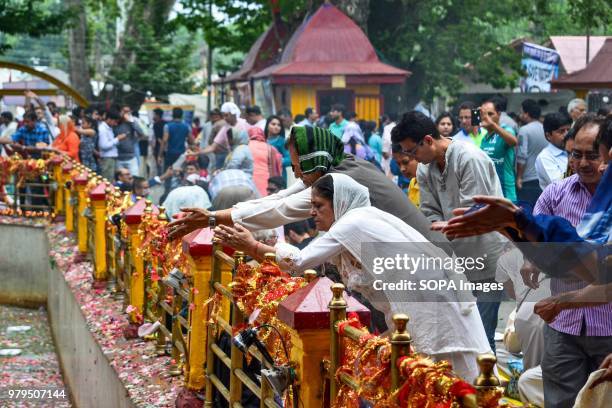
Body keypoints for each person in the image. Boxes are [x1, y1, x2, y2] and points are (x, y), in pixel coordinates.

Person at [214, 173, 491, 381]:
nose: (312, 213)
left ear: (340, 203)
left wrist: (253, 247)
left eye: (319, 206)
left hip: (429, 308)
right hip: (410, 311)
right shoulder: (353, 222)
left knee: (447, 379)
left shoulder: (353, 222)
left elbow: (299, 262)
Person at [168, 126, 453, 258]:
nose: (295, 174)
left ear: (313, 161)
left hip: (422, 259)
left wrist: (212, 219)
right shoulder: (334, 166)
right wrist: (213, 216)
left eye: (298, 167)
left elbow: (281, 211)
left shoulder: (341, 181)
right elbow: (280, 198)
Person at [391, 110, 505, 352]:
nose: (412, 158)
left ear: (429, 140)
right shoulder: (424, 168)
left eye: (412, 152)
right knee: (462, 335)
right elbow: (429, 211)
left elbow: (473, 212)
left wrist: (440, 231)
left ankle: (488, 386)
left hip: (487, 256)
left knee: (483, 336)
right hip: (455, 260)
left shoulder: (468, 158)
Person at [529, 114, 610, 407]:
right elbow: (534, 240)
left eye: (593, 155)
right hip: (563, 326)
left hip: (608, 326)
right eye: (577, 155)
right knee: (560, 401)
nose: (584, 163)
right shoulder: (555, 194)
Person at [479, 99, 519, 201]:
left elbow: (514, 142)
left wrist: (493, 125)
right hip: (490, 192)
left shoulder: (506, 130)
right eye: (484, 114)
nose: (487, 118)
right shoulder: (484, 138)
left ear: (499, 114)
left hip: (505, 191)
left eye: (490, 114)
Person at [516, 99, 547, 205]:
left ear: (526, 114)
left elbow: (522, 155)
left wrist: (519, 177)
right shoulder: (545, 128)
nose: (520, 115)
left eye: (521, 112)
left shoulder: (524, 130)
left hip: (528, 180)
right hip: (544, 178)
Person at [202, 102, 248, 170]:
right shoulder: (224, 126)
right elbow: (211, 143)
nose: (225, 118)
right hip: (226, 154)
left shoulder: (243, 124)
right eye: (223, 116)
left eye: (226, 115)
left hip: (229, 155)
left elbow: (211, 142)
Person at [535, 112, 572, 190]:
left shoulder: (574, 151)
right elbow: (560, 186)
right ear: (548, 136)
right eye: (561, 131)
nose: (567, 134)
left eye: (568, 130)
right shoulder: (545, 157)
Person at [247, 126, 282, 196]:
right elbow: (278, 165)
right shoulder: (270, 148)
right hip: (267, 181)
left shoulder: (245, 146)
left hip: (249, 180)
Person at [160, 107, 191, 172]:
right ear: (182, 115)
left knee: (168, 173)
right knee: (180, 173)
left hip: (170, 153)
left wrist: (160, 155)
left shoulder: (167, 126)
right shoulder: (186, 127)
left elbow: (164, 141)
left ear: (172, 115)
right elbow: (191, 140)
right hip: (181, 154)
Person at [97, 110, 124, 181]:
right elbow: (104, 145)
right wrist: (117, 139)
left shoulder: (109, 128)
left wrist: (117, 139)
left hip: (111, 158)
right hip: (107, 159)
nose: (115, 124)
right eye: (115, 122)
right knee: (107, 180)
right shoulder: (102, 129)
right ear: (109, 119)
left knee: (112, 179)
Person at [264, 115, 291, 181]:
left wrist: (276, 161)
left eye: (279, 125)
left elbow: (289, 159)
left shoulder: (281, 141)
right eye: (273, 124)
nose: (276, 127)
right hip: (264, 172)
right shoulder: (262, 140)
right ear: (267, 125)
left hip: (279, 175)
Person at [152, 108, 166, 176]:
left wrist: (161, 147)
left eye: (154, 114)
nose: (153, 116)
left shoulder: (156, 124)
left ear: (157, 115)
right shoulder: (166, 123)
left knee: (159, 163)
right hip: (165, 146)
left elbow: (159, 139)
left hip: (160, 146)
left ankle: (160, 177)